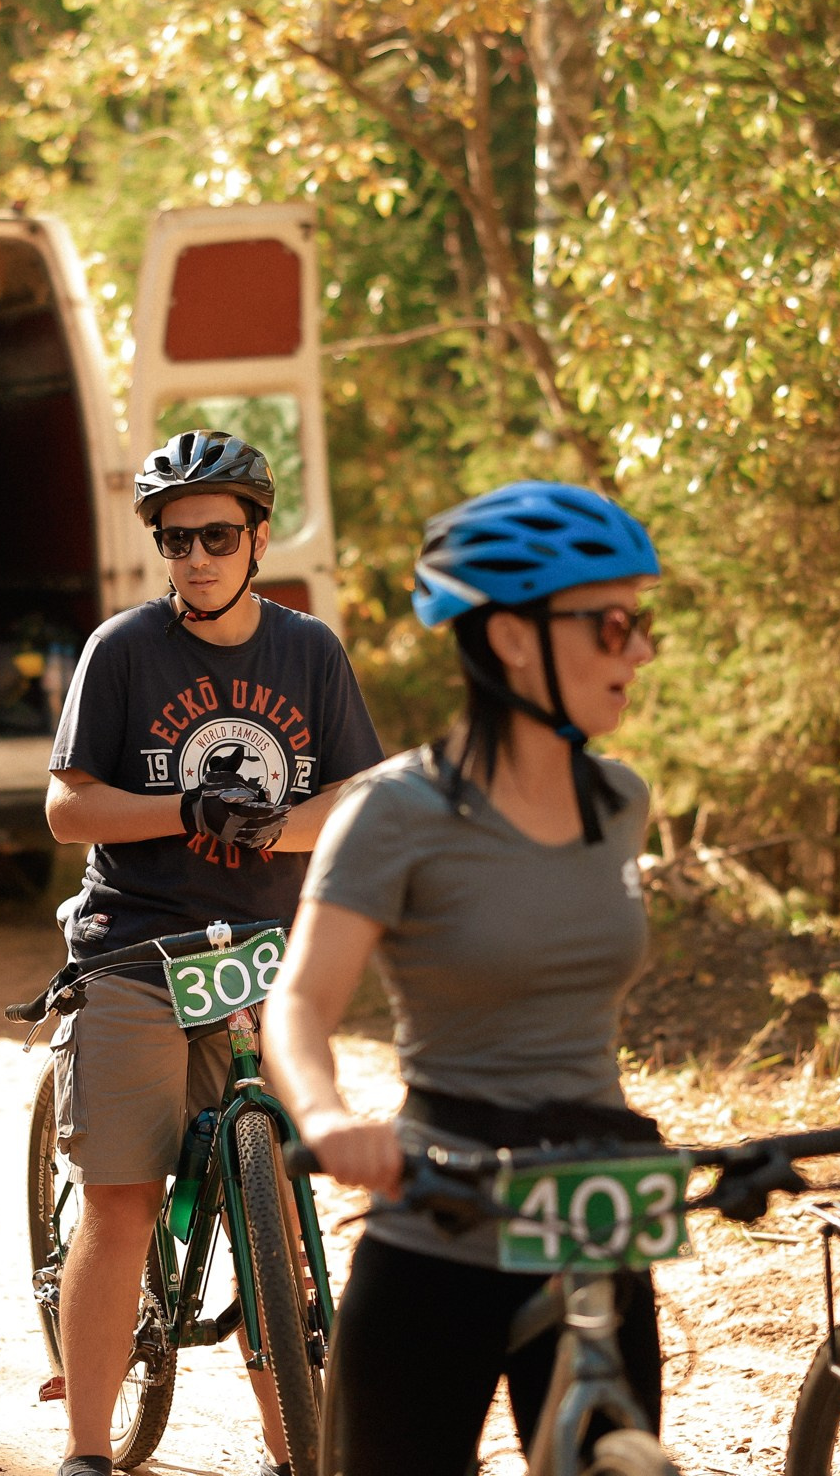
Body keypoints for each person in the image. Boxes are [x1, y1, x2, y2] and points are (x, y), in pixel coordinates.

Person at [264, 481, 666, 1475]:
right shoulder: (395, 811)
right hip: (444, 1216)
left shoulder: (621, 801)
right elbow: (301, 1002)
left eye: (642, 624)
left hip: (600, 1208)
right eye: (614, 625)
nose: (641, 652)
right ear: (515, 638)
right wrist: (328, 1119)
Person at [43, 429, 384, 1476]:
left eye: (217, 537)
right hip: (137, 948)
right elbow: (67, 808)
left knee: (274, 1207)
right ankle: (89, 1452)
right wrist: (185, 807)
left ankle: (298, 1453)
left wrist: (273, 828)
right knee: (123, 1198)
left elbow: (357, 796)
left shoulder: (310, 652)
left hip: (265, 960)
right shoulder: (123, 649)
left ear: (259, 539)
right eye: (175, 539)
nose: (194, 557)